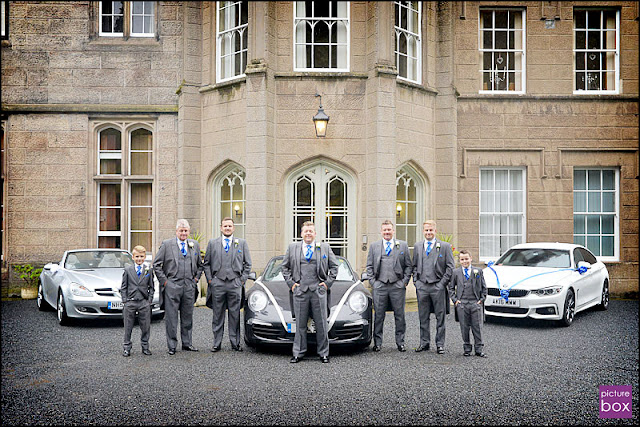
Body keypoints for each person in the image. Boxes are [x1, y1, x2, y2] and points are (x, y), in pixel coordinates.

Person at [281, 221, 338, 364]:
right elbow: (284, 268)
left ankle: (323, 353)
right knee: (300, 324)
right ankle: (298, 353)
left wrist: (326, 284)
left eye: (310, 231)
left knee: (321, 324)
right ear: (301, 233)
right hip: (300, 292)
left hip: (318, 292)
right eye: (305, 231)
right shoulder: (292, 248)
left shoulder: (324, 248)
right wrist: (292, 284)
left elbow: (335, 267)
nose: (308, 234)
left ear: (315, 234)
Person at [153, 219, 204, 355]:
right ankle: (172, 346)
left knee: (188, 317)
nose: (183, 233)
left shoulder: (195, 245)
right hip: (172, 286)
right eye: (181, 230)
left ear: (188, 232)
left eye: (186, 230)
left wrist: (196, 279)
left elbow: (200, 265)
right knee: (171, 318)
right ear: (176, 231)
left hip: (189, 286)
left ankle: (187, 344)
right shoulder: (167, 245)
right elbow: (156, 265)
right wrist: (165, 282)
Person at [203, 217, 252, 352]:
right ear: (221, 228)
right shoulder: (213, 243)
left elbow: (247, 264)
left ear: (233, 228)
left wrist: (241, 280)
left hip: (234, 283)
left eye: (230, 226)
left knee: (235, 314)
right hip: (217, 283)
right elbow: (206, 263)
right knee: (217, 315)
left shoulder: (241, 243)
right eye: (225, 226)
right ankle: (216, 343)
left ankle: (235, 342)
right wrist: (210, 280)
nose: (227, 228)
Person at [365, 220, 413, 352]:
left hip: (397, 285)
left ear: (393, 231)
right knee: (379, 316)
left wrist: (404, 282)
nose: (387, 232)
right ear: (381, 231)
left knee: (400, 315)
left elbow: (409, 266)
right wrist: (374, 283)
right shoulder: (374, 246)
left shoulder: (402, 245)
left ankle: (400, 342)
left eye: (389, 230)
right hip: (380, 285)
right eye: (384, 230)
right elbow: (369, 266)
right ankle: (378, 343)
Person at [412, 220, 454, 354]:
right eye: (426, 230)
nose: (428, 233)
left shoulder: (445, 246)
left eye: (431, 230)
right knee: (423, 317)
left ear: (435, 231)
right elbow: (414, 266)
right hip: (422, 286)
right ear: (423, 231)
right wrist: (416, 283)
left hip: (438, 286)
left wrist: (442, 284)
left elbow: (450, 267)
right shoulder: (418, 246)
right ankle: (424, 343)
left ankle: (440, 344)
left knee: (440, 317)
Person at [448, 250, 487, 357]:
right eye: (462, 259)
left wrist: (481, 299)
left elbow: (484, 287)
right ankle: (467, 348)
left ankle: (479, 349)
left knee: (477, 327)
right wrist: (455, 300)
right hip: (462, 303)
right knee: (464, 327)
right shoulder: (455, 272)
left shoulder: (478, 271)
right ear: (459, 260)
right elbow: (451, 288)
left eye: (466, 259)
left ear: (471, 258)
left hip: (475, 302)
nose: (464, 261)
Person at [121, 245, 154, 357]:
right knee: (128, 326)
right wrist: (125, 300)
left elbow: (151, 287)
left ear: (144, 257)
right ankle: (127, 347)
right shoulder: (128, 270)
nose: (139, 259)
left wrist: (149, 300)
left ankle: (145, 346)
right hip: (130, 302)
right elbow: (124, 286)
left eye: (141, 256)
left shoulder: (148, 270)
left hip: (143, 302)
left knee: (145, 326)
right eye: (137, 256)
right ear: (133, 257)